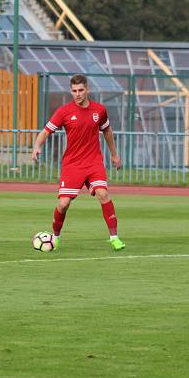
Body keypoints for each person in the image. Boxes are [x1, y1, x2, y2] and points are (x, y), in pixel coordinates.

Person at [30, 74, 125, 251]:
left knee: (103, 194)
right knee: (64, 204)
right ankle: (55, 238)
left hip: (94, 162)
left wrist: (114, 154)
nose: (77, 94)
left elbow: (107, 131)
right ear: (71, 91)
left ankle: (114, 238)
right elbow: (45, 132)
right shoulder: (64, 111)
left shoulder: (99, 110)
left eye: (81, 90)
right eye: (74, 91)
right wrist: (36, 146)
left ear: (87, 90)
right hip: (72, 164)